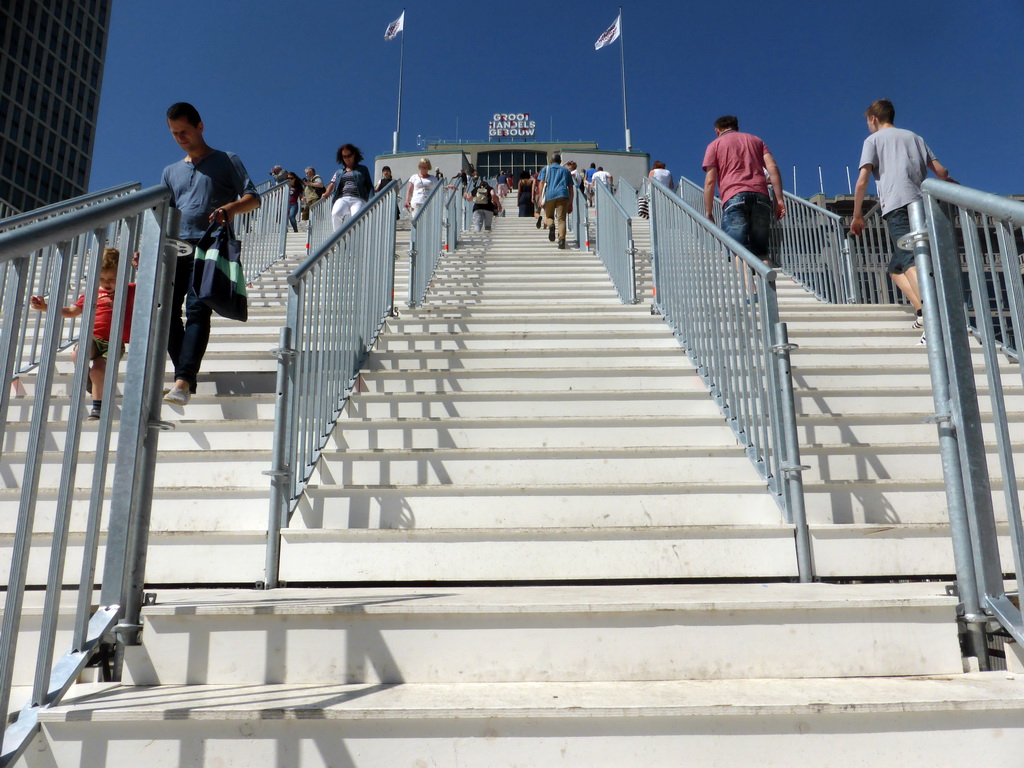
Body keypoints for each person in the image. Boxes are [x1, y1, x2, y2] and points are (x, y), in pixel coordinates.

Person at [160, 102, 260, 407]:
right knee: (164, 314)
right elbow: (164, 214)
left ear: (200, 127)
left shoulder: (226, 160)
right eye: (174, 133)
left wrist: (229, 209)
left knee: (197, 310)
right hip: (175, 247)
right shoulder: (170, 172)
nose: (180, 138)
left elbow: (252, 198)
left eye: (184, 132)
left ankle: (182, 380)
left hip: (209, 246)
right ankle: (185, 376)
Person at [850, 99, 955, 344]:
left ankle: (933, 319)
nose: (867, 126)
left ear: (873, 119)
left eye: (867, 121)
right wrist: (951, 185)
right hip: (921, 204)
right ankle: (921, 309)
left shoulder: (873, 141)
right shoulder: (914, 137)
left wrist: (857, 216)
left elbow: (863, 180)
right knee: (896, 268)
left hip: (897, 205)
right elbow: (940, 171)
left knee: (909, 259)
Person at [31, 248, 135, 420]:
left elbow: (152, 290)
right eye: (101, 279)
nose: (107, 283)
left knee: (98, 372)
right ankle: (89, 380)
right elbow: (71, 311)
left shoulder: (131, 290)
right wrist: (46, 307)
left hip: (115, 342)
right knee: (78, 353)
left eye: (112, 279)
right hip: (93, 338)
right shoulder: (93, 294)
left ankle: (97, 408)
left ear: (123, 274)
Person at [702, 115, 786, 262]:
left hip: (734, 196)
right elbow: (772, 167)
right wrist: (779, 200)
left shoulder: (714, 145)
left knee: (738, 251)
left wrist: (708, 212)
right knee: (761, 251)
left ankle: (750, 286)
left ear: (717, 131)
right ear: (736, 127)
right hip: (761, 196)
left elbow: (710, 181)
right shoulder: (756, 140)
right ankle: (767, 285)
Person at [322, 144, 373, 231]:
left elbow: (369, 185)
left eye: (349, 156)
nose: (347, 158)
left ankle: (354, 240)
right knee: (335, 214)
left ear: (354, 155)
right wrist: (326, 193)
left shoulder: (363, 169)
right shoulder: (339, 172)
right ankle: (338, 239)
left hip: (358, 198)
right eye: (344, 156)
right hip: (343, 198)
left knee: (356, 218)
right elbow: (332, 183)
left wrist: (372, 200)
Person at [536, 153, 574, 250]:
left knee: (548, 216)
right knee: (561, 219)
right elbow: (570, 187)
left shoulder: (546, 169)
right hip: (563, 194)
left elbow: (541, 182)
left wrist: (540, 197)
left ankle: (551, 225)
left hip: (550, 195)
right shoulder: (566, 171)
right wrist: (570, 202)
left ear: (550, 161)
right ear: (560, 162)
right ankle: (561, 240)